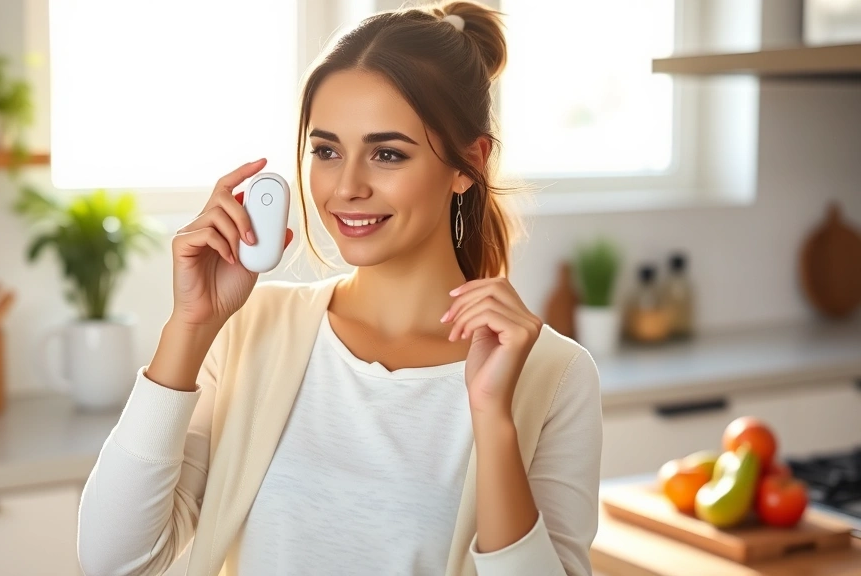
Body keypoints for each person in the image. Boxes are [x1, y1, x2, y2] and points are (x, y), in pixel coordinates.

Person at [77, 2, 602, 575]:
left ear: (468, 163)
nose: (346, 187)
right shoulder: (251, 328)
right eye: (326, 151)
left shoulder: (552, 374)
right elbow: (114, 561)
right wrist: (191, 326)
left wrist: (492, 420)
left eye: (387, 154)